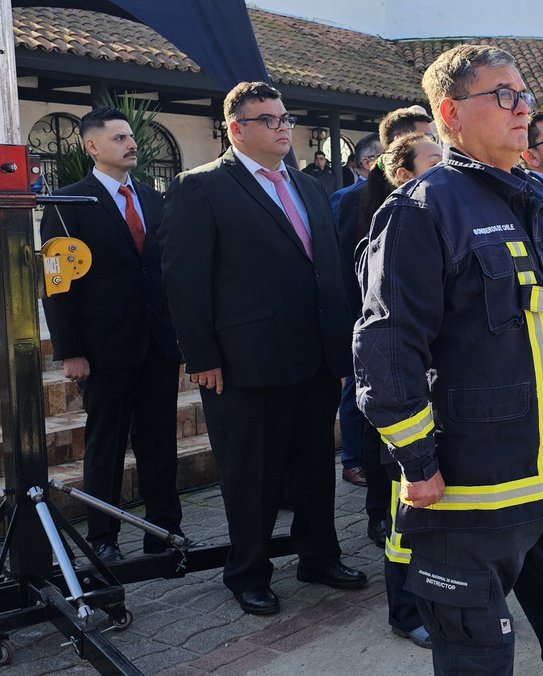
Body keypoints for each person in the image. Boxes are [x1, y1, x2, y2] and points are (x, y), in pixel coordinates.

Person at [354, 44, 543, 675]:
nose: (522, 107)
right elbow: (387, 350)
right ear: (450, 111)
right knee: (479, 664)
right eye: (503, 95)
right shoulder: (423, 208)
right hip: (471, 502)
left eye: (525, 94)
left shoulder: (537, 200)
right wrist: (417, 462)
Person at [159, 81, 365, 616]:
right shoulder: (201, 187)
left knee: (314, 464)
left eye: (284, 118)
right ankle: (248, 571)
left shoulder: (310, 185)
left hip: (315, 355)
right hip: (244, 361)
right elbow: (184, 280)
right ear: (236, 129)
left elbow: (328, 270)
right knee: (252, 474)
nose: (282, 127)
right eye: (268, 119)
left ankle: (319, 555)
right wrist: (201, 356)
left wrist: (342, 347)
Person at [40, 105, 183, 563]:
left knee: (159, 443)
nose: (131, 143)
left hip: (157, 346)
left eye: (130, 136)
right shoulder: (69, 203)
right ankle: (103, 539)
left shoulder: (154, 198)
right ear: (92, 146)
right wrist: (70, 350)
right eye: (119, 137)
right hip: (104, 350)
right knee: (106, 446)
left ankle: (165, 536)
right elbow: (57, 282)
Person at [350, 130, 443, 648]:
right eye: (434, 160)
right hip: (410, 405)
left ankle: (443, 604)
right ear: (402, 173)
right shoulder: (391, 236)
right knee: (406, 521)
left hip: (448, 404)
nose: (446, 167)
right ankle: (405, 612)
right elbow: (386, 340)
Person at [335, 110, 435, 493]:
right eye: (424, 139)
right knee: (372, 411)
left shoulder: (442, 199)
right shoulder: (356, 200)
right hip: (376, 328)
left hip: (422, 333)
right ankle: (375, 497)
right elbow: (347, 268)